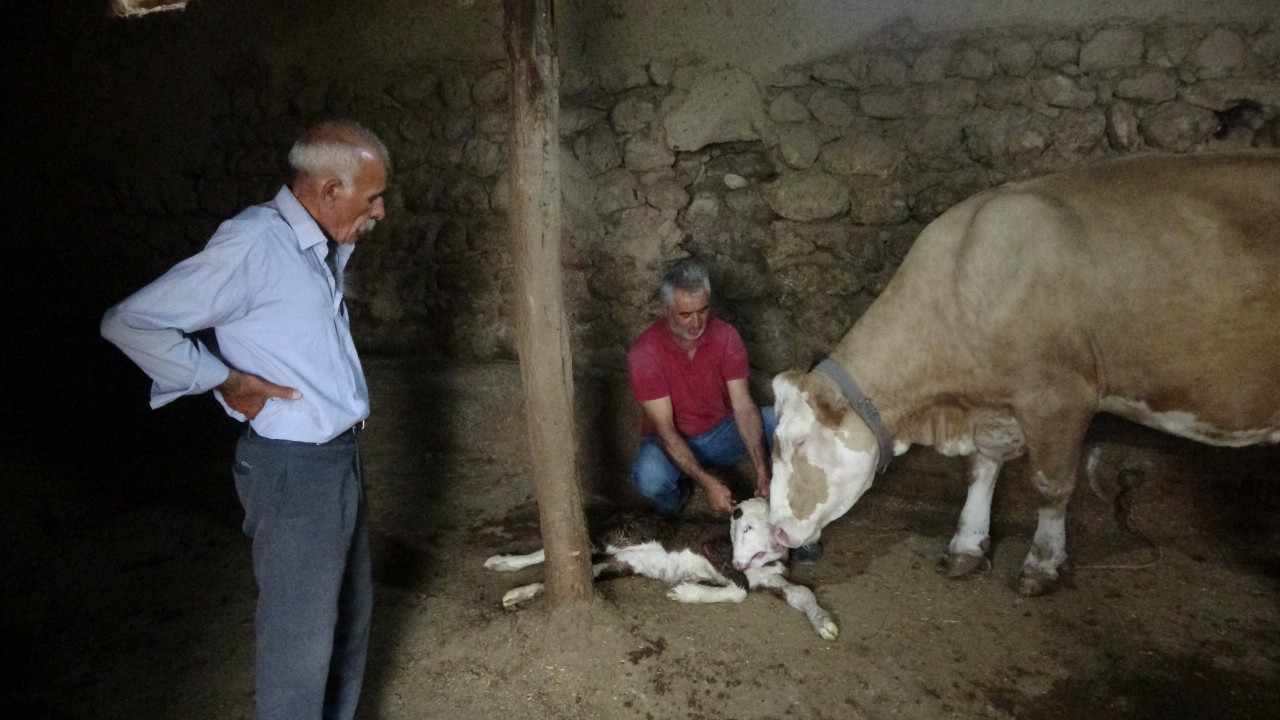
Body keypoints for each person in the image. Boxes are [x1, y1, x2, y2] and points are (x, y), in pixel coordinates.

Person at [100, 120, 389, 720]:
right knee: (299, 647)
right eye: (372, 197)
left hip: (335, 458)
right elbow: (130, 322)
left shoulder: (313, 242)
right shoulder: (256, 243)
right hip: (294, 469)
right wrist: (223, 380)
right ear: (329, 190)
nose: (381, 211)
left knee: (348, 622)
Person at [626, 260, 777, 517]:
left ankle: (798, 519)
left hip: (721, 433)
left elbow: (743, 406)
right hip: (671, 441)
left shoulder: (725, 336)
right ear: (665, 309)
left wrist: (763, 470)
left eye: (703, 310)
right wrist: (707, 483)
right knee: (648, 476)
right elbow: (665, 429)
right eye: (685, 314)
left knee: (785, 420)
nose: (696, 322)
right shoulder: (646, 353)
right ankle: (673, 509)